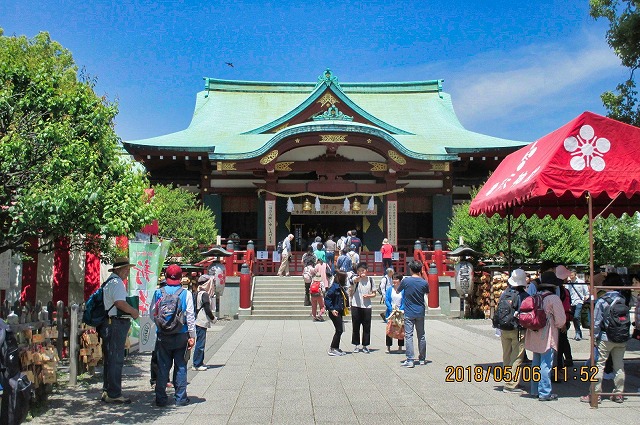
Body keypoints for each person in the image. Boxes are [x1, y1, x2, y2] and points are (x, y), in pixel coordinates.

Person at [151, 264, 196, 407]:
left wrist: (162, 325)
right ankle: (181, 398)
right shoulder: (185, 293)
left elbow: (152, 313)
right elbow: (190, 316)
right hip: (181, 334)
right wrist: (192, 335)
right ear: (181, 277)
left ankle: (161, 398)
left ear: (165, 276)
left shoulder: (159, 293)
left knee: (163, 366)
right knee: (181, 365)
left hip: (163, 335)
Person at [581, 273, 630, 404]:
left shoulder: (602, 301)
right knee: (619, 366)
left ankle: (595, 394)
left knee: (599, 365)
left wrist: (595, 337)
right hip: (621, 337)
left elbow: (596, 322)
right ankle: (619, 393)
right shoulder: (622, 300)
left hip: (605, 337)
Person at [100, 257, 140, 403]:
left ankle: (107, 389)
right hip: (116, 323)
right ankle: (114, 393)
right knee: (116, 359)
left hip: (109, 322)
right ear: (119, 269)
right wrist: (133, 312)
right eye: (126, 270)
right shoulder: (117, 283)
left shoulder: (109, 281)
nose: (127, 273)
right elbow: (119, 303)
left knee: (110, 359)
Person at [524, 270, 565, 401]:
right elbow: (560, 320)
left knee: (536, 362)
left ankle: (534, 390)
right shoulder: (554, 299)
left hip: (534, 332)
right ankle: (545, 392)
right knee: (546, 363)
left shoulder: (536, 295)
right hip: (547, 335)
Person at [493, 269, 529, 394]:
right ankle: (511, 384)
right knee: (517, 356)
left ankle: (508, 380)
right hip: (518, 329)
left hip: (504, 328)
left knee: (506, 355)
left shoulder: (504, 293)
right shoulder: (524, 296)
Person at [396, 260, 429, 368]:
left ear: (411, 269)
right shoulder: (424, 282)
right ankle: (422, 358)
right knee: (421, 335)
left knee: (409, 336)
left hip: (409, 311)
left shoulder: (406, 281)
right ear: (420, 270)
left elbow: (398, 291)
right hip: (420, 311)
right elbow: (426, 292)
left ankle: (410, 359)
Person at [348, 262, 376, 353]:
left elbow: (374, 293)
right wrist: (359, 277)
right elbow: (354, 280)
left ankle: (365, 345)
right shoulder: (355, 278)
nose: (361, 272)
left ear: (367, 270)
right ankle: (356, 345)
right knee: (356, 326)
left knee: (366, 326)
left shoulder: (371, 280)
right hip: (356, 305)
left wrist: (369, 296)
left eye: (363, 270)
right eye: (359, 271)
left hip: (367, 306)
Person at [192, 274, 217, 371]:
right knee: (200, 343)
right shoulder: (205, 294)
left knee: (200, 341)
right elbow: (207, 308)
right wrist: (213, 318)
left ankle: (199, 362)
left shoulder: (197, 293)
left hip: (197, 319)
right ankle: (197, 364)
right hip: (201, 320)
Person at [554, 265, 574, 373]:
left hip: (560, 320)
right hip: (564, 319)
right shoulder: (564, 290)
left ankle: (559, 366)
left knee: (560, 343)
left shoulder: (558, 290)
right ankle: (564, 362)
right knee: (562, 341)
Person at [325, 271, 349, 356]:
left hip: (339, 311)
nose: (346, 280)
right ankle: (332, 348)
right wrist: (331, 309)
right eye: (345, 278)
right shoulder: (334, 287)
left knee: (340, 330)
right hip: (335, 311)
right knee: (339, 330)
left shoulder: (340, 287)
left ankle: (336, 347)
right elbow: (327, 298)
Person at [385, 272, 405, 353]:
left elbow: (405, 300)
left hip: (400, 311)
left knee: (400, 329)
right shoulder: (390, 289)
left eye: (396, 279)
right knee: (389, 329)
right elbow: (387, 299)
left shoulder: (403, 290)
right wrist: (390, 308)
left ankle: (400, 347)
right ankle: (388, 346)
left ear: (400, 280)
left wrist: (401, 309)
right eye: (393, 279)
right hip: (391, 312)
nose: (394, 280)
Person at [567, 269, 589, 341]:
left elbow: (587, 292)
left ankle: (578, 333)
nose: (571, 276)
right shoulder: (568, 284)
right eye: (570, 275)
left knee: (576, 317)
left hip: (579, 301)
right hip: (571, 302)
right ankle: (578, 332)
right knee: (573, 318)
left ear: (575, 274)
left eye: (572, 275)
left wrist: (586, 297)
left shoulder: (581, 282)